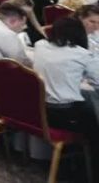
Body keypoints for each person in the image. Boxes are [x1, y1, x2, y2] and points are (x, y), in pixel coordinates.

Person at [31, 17, 99, 166]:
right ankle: (91, 168)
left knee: (86, 98)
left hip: (38, 108)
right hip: (63, 113)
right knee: (94, 116)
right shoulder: (82, 54)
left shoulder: (40, 45)